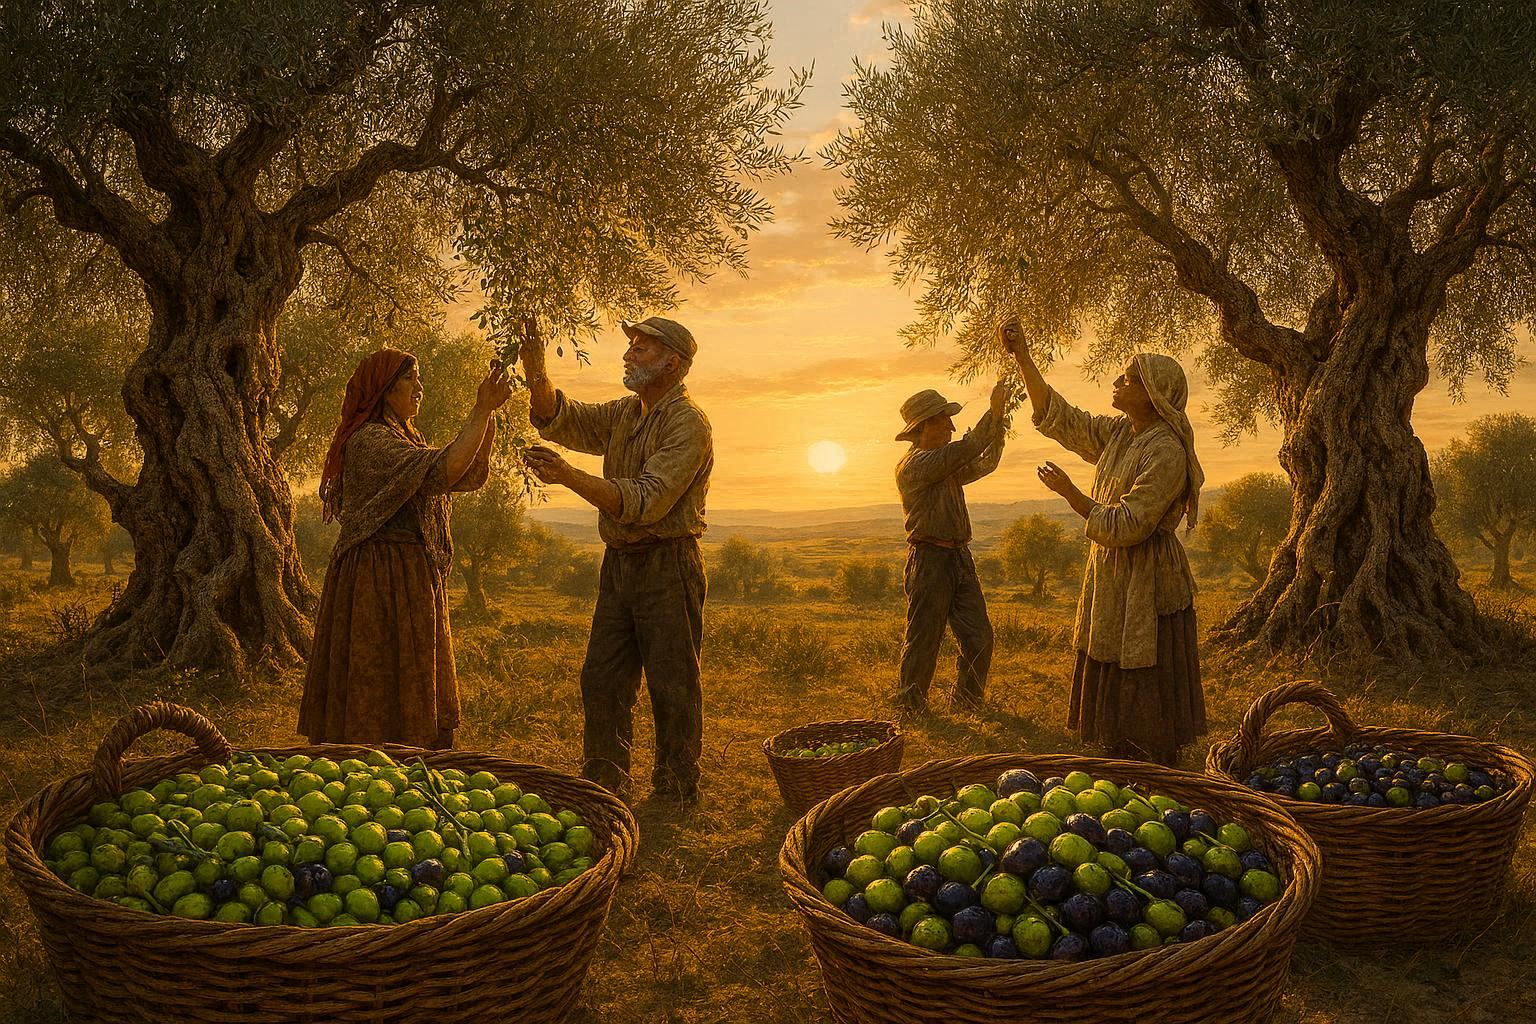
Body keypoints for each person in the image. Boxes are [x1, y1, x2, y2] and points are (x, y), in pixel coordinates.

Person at [517, 317, 712, 804]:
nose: (628, 355)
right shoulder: (626, 412)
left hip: (669, 563)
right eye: (631, 346)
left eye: (641, 349)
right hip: (621, 562)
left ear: (672, 363)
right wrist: (536, 368)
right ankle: (605, 781)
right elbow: (565, 419)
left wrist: (568, 476)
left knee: (672, 683)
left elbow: (646, 501)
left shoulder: (688, 423)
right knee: (602, 677)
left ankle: (676, 787)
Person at [1003, 319, 1206, 766]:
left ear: (1153, 395)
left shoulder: (1166, 450)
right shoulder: (1119, 434)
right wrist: (1023, 357)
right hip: (1115, 571)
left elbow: (1132, 524)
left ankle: (1152, 759)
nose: (1117, 381)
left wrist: (1072, 495)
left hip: (1148, 576)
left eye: (1129, 378)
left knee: (1144, 654)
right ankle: (1118, 751)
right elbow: (1060, 418)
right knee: (1114, 646)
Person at [299, 350, 511, 749]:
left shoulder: (406, 438)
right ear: (384, 388)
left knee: (410, 672)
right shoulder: (370, 442)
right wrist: (481, 410)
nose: (420, 388)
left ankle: (411, 759)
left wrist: (488, 415)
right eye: (410, 378)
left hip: (408, 573)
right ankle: (365, 760)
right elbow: (444, 469)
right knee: (375, 672)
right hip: (377, 577)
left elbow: (462, 476)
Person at [893, 380, 1011, 716]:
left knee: (979, 637)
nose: (952, 427)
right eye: (945, 420)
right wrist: (994, 414)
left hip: (958, 558)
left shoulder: (942, 464)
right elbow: (967, 448)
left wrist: (998, 429)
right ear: (924, 426)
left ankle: (967, 703)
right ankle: (910, 707)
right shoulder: (916, 465)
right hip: (929, 560)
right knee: (924, 638)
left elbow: (983, 462)